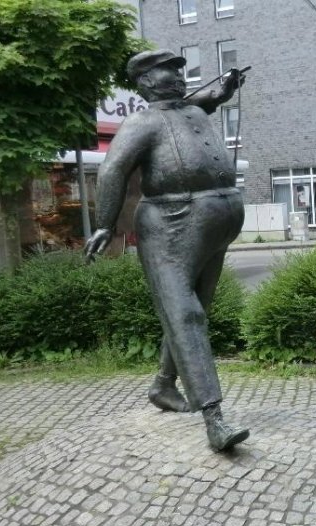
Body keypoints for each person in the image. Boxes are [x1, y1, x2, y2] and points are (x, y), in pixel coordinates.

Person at [84, 49, 249, 451]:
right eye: (166, 72)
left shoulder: (190, 110)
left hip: (213, 224)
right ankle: (214, 418)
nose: (177, 77)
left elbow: (205, 100)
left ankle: (162, 385)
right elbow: (111, 170)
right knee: (185, 315)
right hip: (170, 227)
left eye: (179, 70)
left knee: (196, 312)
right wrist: (105, 224)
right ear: (145, 82)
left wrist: (224, 90)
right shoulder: (141, 122)